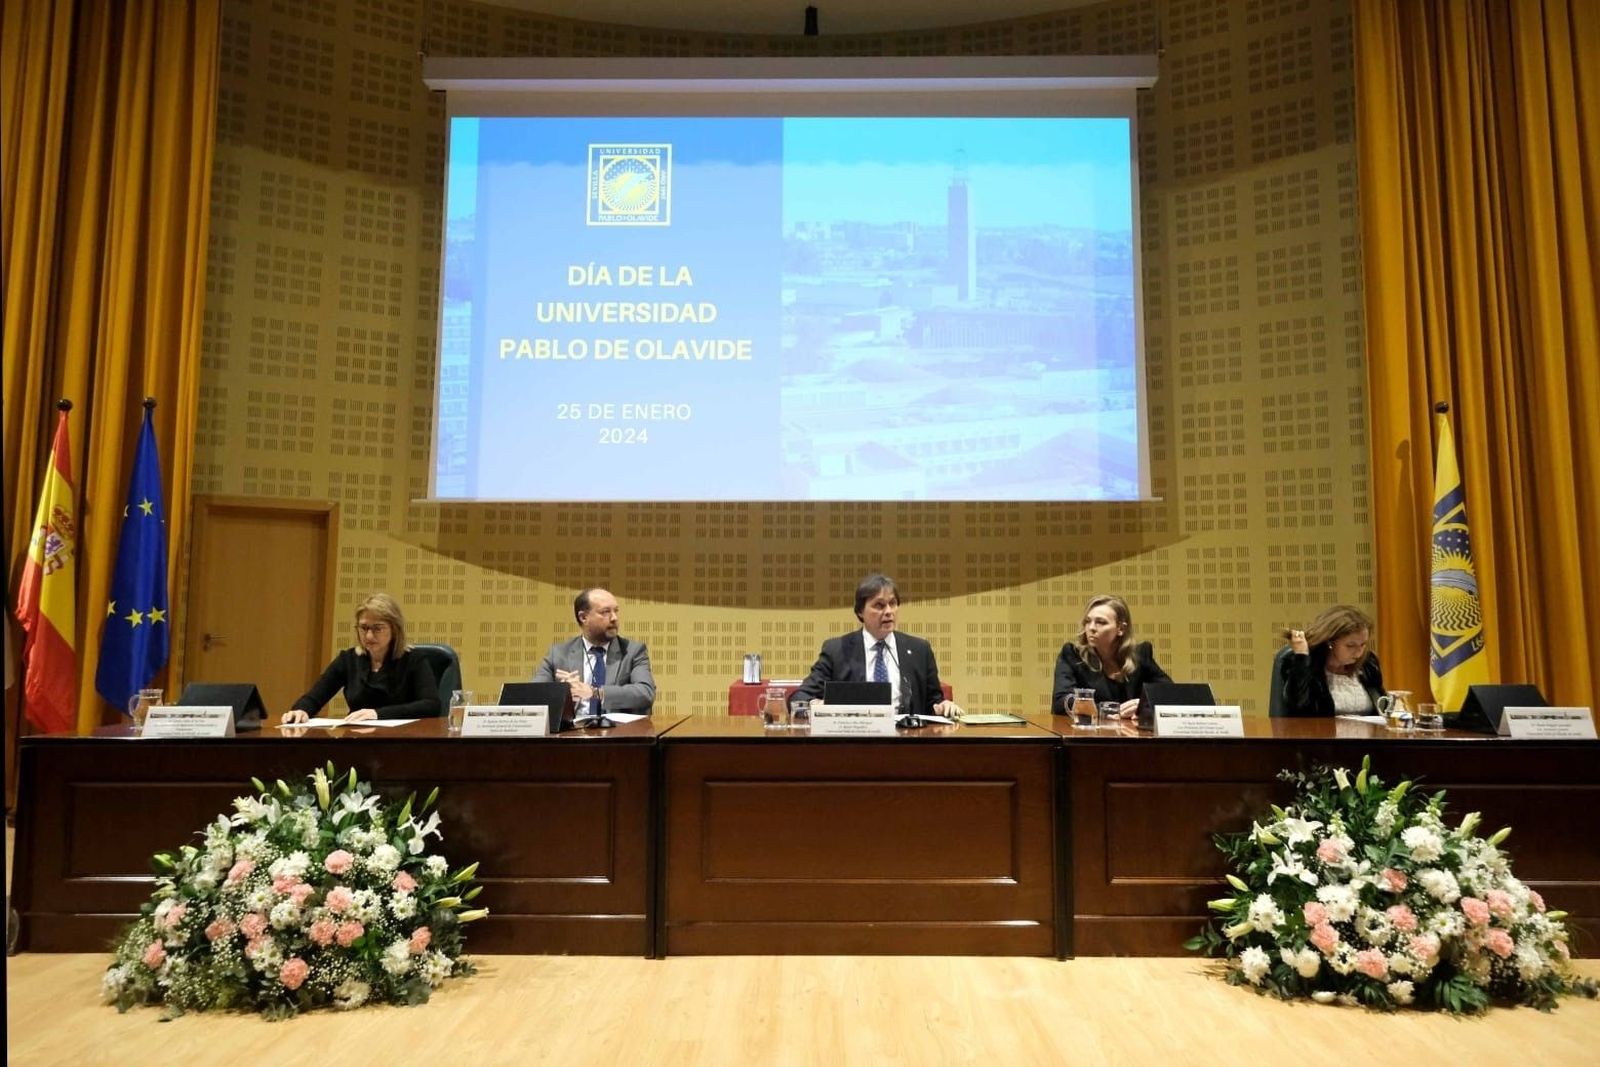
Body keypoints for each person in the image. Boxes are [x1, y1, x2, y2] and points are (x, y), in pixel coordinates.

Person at [793, 573, 963, 719]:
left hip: (907, 743)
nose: (888, 611)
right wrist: (818, 705)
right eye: (879, 605)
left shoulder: (920, 649)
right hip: (854, 742)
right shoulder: (838, 650)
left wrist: (943, 706)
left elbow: (933, 701)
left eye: (893, 603)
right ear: (860, 611)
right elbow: (799, 698)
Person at [283, 593, 440, 723]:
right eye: (364, 628)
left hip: (403, 742)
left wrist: (377, 714)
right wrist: (301, 710)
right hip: (357, 739)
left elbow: (431, 705)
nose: (369, 636)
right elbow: (315, 697)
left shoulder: (414, 660)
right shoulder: (348, 659)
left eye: (377, 628)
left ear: (394, 629)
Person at [532, 588, 655, 717]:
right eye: (605, 612)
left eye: (616, 611)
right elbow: (533, 696)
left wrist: (595, 693)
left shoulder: (633, 651)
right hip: (573, 734)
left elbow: (646, 693)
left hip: (617, 733)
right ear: (583, 617)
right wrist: (562, 693)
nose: (614, 618)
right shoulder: (558, 654)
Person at [1051, 594, 1171, 719]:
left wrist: (1143, 706)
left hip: (1131, 735)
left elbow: (1171, 693)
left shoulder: (1140, 654)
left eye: (1101, 622)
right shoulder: (1073, 654)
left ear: (1121, 629)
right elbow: (1061, 702)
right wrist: (1110, 710)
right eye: (1088, 621)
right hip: (1088, 734)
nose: (1091, 628)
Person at [1274, 604, 1384, 717]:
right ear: (1330, 642)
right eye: (1351, 645)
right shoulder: (1306, 663)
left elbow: (1380, 705)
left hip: (1367, 733)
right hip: (1319, 734)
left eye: (1363, 644)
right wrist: (1302, 657)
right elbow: (1297, 705)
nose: (1359, 652)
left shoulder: (1368, 663)